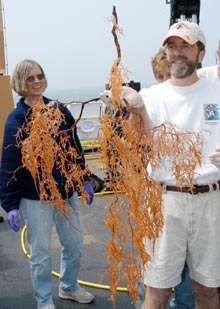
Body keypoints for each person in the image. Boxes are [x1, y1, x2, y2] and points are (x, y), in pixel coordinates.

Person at [101, 21, 220, 308]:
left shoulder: (216, 91)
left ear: (200, 54)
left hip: (212, 200)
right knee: (157, 290)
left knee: (207, 289)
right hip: (165, 201)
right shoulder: (152, 97)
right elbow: (140, 144)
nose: (178, 53)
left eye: (185, 46)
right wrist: (137, 111)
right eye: (172, 46)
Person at [0, 59, 95, 309]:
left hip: (67, 193)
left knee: (74, 244)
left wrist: (84, 179)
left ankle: (68, 287)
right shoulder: (17, 119)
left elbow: (74, 148)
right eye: (30, 78)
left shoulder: (59, 110)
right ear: (21, 82)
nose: (36, 81)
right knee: (40, 254)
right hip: (35, 198)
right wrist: (9, 204)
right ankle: (43, 300)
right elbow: (10, 165)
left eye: (39, 75)